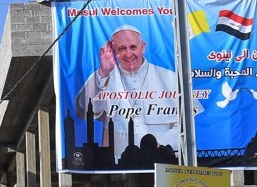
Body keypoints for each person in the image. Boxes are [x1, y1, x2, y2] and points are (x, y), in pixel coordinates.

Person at [74, 25, 180, 157]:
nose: (128, 54)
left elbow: (184, 125)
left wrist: (156, 144)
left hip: (162, 156)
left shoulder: (168, 77)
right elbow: (87, 109)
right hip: (118, 159)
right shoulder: (103, 76)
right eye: (122, 48)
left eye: (133, 47)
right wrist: (104, 72)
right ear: (113, 50)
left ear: (143, 47)